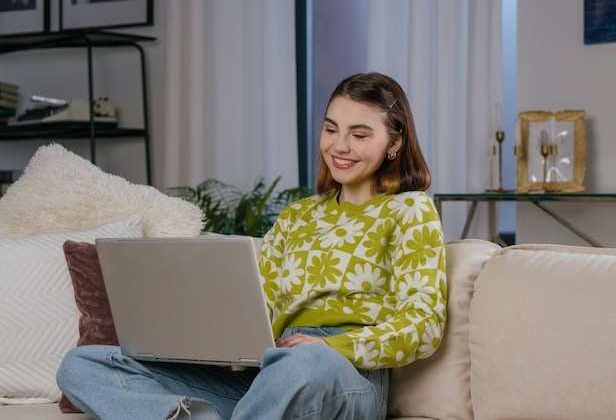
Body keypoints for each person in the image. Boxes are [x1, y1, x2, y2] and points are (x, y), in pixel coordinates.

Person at [56, 72, 447, 420]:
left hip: (342, 374)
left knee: (302, 360)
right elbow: (261, 302)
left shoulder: (409, 209)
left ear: (394, 142)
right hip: (266, 369)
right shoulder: (298, 216)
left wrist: (330, 346)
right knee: (81, 366)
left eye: (359, 135)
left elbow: (424, 325)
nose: (339, 146)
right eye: (331, 129)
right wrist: (219, 344)